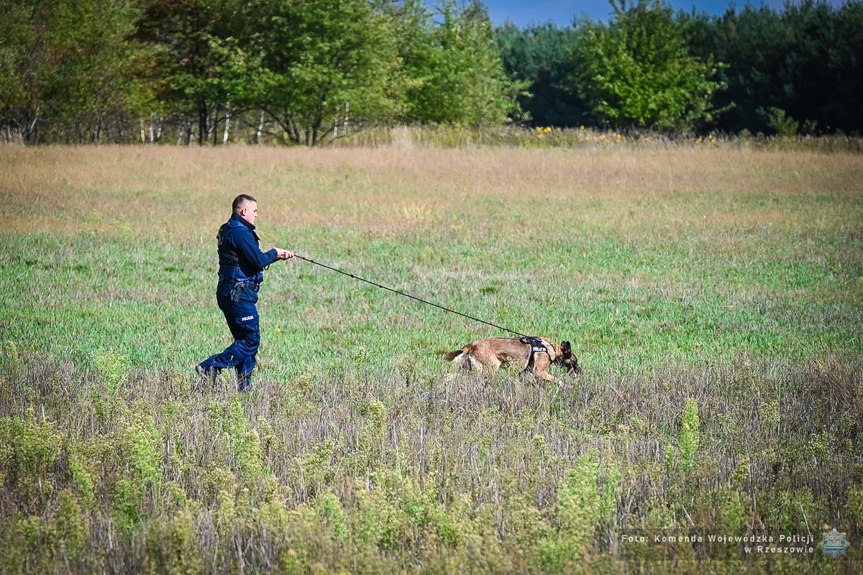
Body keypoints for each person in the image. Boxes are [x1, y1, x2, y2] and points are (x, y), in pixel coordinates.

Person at [197, 194, 293, 391]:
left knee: (243, 343)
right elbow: (257, 261)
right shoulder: (240, 232)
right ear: (244, 211)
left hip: (229, 293)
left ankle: (244, 388)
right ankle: (210, 366)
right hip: (238, 295)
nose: (257, 215)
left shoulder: (229, 229)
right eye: (255, 211)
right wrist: (275, 253)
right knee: (250, 340)